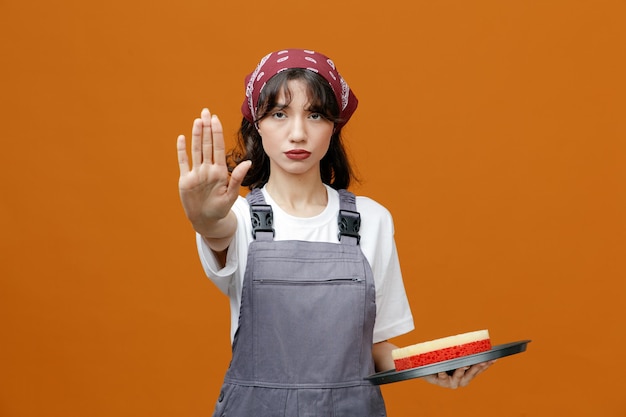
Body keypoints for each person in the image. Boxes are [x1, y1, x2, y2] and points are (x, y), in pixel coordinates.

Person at [176, 48, 493, 416]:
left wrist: (429, 368)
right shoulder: (240, 218)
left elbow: (373, 347)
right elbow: (218, 233)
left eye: (315, 114)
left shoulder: (371, 220)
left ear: (334, 126)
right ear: (256, 124)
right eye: (279, 114)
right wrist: (204, 220)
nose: (298, 133)